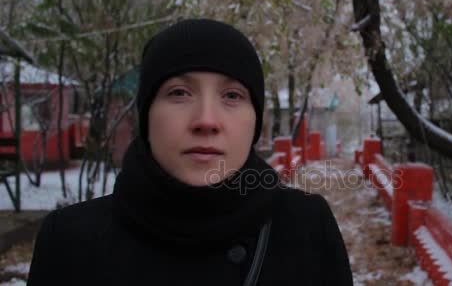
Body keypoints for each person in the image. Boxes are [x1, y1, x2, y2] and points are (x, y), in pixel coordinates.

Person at [27, 19, 353, 285]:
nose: (206, 121)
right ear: (146, 116)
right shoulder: (70, 241)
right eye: (179, 93)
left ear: (255, 121)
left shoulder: (306, 228)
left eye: (232, 96)